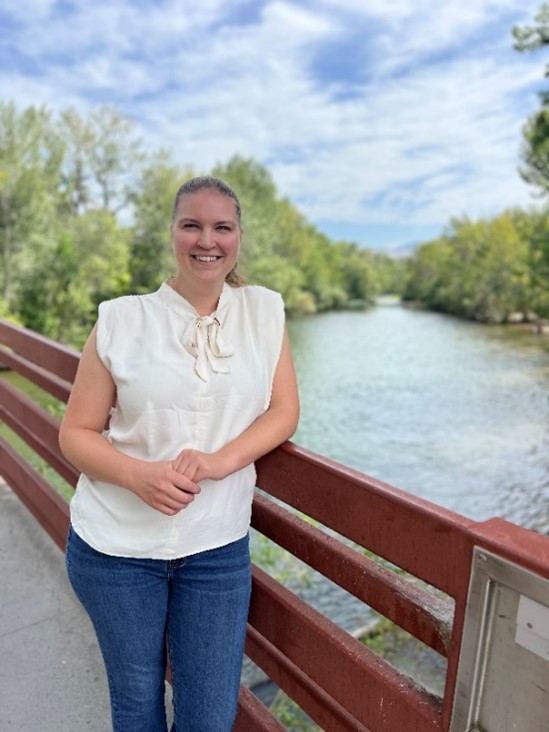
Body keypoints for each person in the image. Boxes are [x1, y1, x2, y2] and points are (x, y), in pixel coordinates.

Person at [59, 175, 300, 732]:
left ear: (239, 236)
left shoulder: (264, 314)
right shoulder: (120, 320)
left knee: (209, 720)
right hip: (115, 550)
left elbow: (283, 412)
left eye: (222, 227)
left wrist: (219, 462)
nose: (206, 240)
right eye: (191, 225)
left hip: (215, 549)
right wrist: (139, 476)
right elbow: (75, 433)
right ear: (172, 233)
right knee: (137, 705)